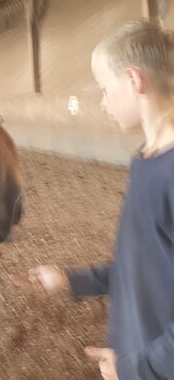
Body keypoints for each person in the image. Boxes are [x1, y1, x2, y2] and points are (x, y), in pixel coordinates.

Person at [14, 20, 174, 380]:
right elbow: (145, 266)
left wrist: (139, 368)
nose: (102, 103)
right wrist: (71, 280)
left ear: (134, 81)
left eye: (104, 89)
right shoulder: (145, 160)